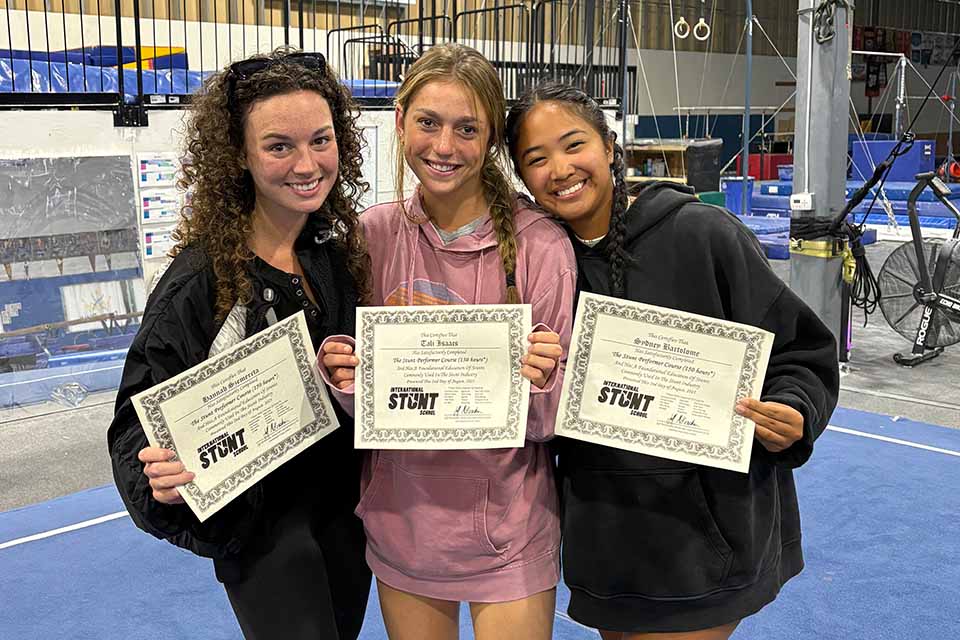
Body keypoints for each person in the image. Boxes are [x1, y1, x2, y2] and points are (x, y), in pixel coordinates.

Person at [505, 82, 840, 640]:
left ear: (609, 146)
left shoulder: (703, 234)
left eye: (573, 145)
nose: (559, 169)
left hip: (707, 542)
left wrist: (793, 408)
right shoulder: (540, 264)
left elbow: (801, 350)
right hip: (608, 548)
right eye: (535, 159)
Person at [106, 49, 372, 640]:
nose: (307, 164)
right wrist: (156, 476)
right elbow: (135, 425)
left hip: (344, 515)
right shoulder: (202, 279)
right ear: (240, 157)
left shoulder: (332, 257)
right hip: (263, 530)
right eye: (279, 146)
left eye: (321, 140)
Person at [320, 44, 577, 640]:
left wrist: (540, 385)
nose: (444, 146)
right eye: (428, 123)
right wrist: (343, 380)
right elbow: (369, 408)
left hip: (509, 529)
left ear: (489, 140)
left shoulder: (540, 246)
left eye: (467, 129)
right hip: (404, 521)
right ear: (400, 119)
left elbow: (550, 420)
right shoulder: (370, 236)